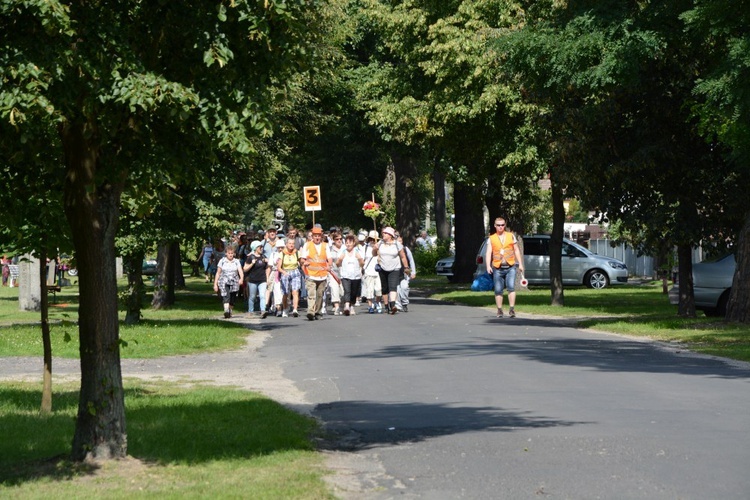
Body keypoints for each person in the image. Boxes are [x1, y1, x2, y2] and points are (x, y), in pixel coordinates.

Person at [485, 217, 524, 318]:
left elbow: (516, 250)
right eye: (498, 225)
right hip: (497, 267)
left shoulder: (510, 236)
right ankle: (499, 310)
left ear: (505, 225)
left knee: (511, 287)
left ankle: (511, 309)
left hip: (510, 266)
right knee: (498, 289)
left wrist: (520, 264)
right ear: (495, 226)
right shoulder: (492, 238)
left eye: (502, 225)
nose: (500, 227)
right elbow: (489, 252)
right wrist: (488, 266)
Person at [372, 226, 410, 315]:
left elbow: (403, 256)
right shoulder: (380, 243)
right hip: (383, 268)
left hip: (395, 268)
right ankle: (386, 306)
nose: (383, 234)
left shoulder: (397, 244)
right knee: (385, 288)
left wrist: (406, 267)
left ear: (390, 235)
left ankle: (393, 305)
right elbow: (374, 254)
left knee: (393, 286)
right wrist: (374, 249)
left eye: (385, 233)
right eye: (383, 233)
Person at [300, 226, 332, 320]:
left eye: (318, 236)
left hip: (322, 275)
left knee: (320, 295)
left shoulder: (325, 246)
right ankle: (310, 311)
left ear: (321, 236)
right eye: (315, 236)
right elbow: (302, 259)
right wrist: (304, 262)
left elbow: (329, 259)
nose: (317, 238)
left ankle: (317, 312)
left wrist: (329, 265)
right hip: (311, 274)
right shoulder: (307, 245)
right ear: (312, 236)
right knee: (311, 294)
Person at [337, 233, 364, 316]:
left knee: (354, 292)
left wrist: (360, 261)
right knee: (347, 290)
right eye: (347, 243)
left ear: (353, 243)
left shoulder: (357, 252)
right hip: (345, 275)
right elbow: (338, 262)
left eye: (350, 242)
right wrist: (339, 261)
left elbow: (362, 262)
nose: (348, 244)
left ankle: (352, 306)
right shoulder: (343, 252)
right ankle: (347, 306)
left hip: (356, 276)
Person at [213, 244, 244, 318]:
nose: (230, 255)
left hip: (234, 281)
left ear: (234, 254)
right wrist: (215, 284)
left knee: (232, 298)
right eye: (229, 253)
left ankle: (230, 311)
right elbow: (218, 272)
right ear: (226, 253)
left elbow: (240, 271)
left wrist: (241, 278)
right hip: (224, 281)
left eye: (232, 253)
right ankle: (226, 310)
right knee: (226, 296)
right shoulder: (222, 261)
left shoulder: (236, 261)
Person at [277, 237, 302, 317]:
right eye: (290, 243)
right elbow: (279, 267)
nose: (291, 245)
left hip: (295, 271)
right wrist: (283, 272)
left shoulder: (297, 252)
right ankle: (285, 309)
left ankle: (295, 309)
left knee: (295, 291)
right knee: (285, 293)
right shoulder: (282, 253)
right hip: (285, 272)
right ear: (286, 244)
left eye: (293, 244)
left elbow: (301, 263)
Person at [243, 240, 268, 315]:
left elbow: (267, 268)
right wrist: (252, 264)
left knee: (262, 295)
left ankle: (263, 310)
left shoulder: (263, 257)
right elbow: (245, 268)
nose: (261, 248)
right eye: (260, 247)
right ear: (255, 248)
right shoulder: (250, 257)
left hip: (262, 280)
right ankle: (251, 311)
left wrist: (268, 261)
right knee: (252, 297)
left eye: (262, 247)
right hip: (253, 280)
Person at [362, 230, 383, 313]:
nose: (372, 241)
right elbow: (362, 260)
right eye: (371, 239)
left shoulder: (380, 248)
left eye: (374, 240)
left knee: (379, 290)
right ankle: (370, 306)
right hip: (368, 271)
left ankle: (377, 302)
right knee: (369, 291)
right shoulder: (365, 248)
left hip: (378, 271)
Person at [395, 234, 416, 312]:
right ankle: (398, 305)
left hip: (404, 273)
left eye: (401, 241)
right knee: (396, 290)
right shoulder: (393, 249)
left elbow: (411, 260)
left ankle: (404, 303)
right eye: (398, 241)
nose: (400, 242)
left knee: (404, 287)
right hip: (395, 273)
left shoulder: (405, 249)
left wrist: (413, 272)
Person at [327, 230, 345, 315]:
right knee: (334, 289)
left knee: (343, 292)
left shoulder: (345, 249)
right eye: (337, 239)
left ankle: (341, 306)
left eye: (340, 238)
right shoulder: (329, 249)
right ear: (333, 240)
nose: (339, 240)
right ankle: (336, 307)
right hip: (333, 272)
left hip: (344, 273)